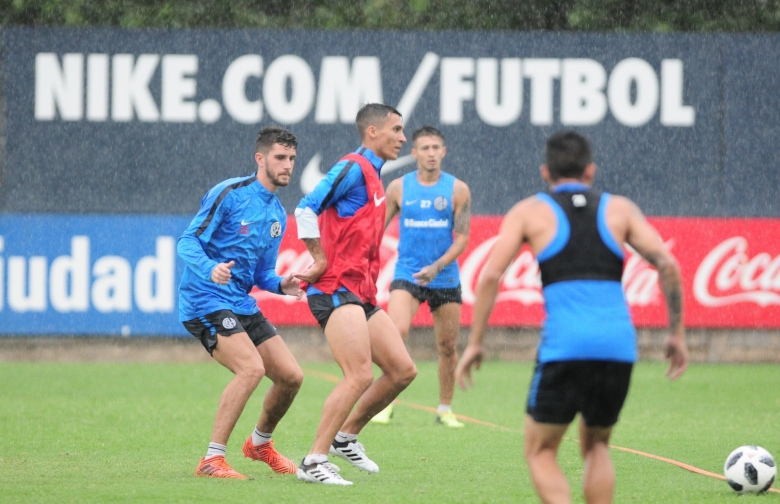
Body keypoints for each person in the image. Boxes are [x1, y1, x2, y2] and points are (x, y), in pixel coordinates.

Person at [455, 130, 688, 504]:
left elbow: (491, 276)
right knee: (597, 446)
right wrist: (676, 334)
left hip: (565, 346)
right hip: (618, 346)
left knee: (541, 450)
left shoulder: (528, 211)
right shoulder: (620, 209)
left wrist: (476, 343)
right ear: (591, 171)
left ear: (545, 172)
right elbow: (668, 264)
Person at [293, 103, 418, 485]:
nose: (403, 137)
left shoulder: (376, 175)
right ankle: (313, 461)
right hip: (333, 288)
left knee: (401, 371)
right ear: (372, 133)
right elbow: (304, 208)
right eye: (396, 129)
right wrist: (317, 257)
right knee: (359, 374)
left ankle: (346, 436)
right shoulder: (352, 167)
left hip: (359, 292)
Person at [178, 127, 305, 480]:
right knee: (251, 369)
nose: (288, 165)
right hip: (204, 300)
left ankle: (260, 444)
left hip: (240, 303)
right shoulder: (230, 193)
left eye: (292, 159)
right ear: (260, 158)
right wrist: (210, 267)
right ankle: (211, 460)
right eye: (280, 157)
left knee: (291, 377)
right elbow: (187, 242)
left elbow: (262, 273)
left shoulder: (278, 213)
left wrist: (281, 284)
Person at [371, 126, 471, 428]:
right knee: (396, 332)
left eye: (436, 148)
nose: (431, 153)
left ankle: (444, 409)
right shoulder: (398, 188)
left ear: (444, 152)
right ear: (413, 153)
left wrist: (437, 266)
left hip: (444, 278)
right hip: (408, 274)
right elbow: (376, 231)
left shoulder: (458, 190)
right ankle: (386, 403)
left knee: (448, 346)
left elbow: (463, 237)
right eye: (425, 148)